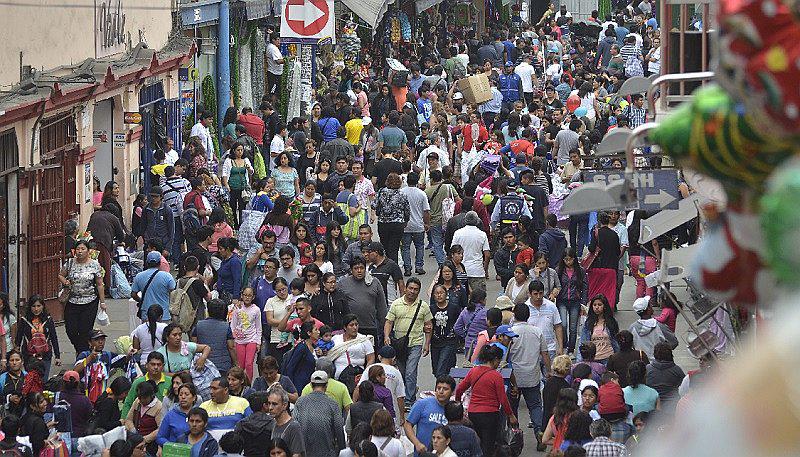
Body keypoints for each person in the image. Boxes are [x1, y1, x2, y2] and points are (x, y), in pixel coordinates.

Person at [454, 345, 518, 456]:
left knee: (476, 443)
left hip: (473, 413)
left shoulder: (473, 372)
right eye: (499, 361)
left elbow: (459, 389)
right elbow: (503, 399)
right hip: (490, 415)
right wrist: (511, 415)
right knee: (488, 446)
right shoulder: (496, 376)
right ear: (495, 360)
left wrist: (458, 403)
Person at [384, 277, 432, 405]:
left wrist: (427, 343)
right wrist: (386, 336)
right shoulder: (396, 304)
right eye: (410, 288)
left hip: (416, 343)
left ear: (419, 291)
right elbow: (389, 322)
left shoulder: (423, 306)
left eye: (416, 289)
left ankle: (409, 400)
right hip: (399, 344)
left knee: (410, 371)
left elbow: (428, 325)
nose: (412, 291)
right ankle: (409, 390)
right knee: (403, 372)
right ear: (405, 289)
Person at [509, 303, 551, 436]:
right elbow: (545, 353)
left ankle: (514, 433)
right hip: (532, 376)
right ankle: (539, 431)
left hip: (513, 377)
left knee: (512, 407)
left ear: (514, 315)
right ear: (528, 315)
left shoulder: (510, 332)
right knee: (535, 406)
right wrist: (549, 371)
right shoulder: (537, 331)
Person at [58, 240, 106, 354]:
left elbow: (100, 284)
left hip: (90, 301)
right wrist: (65, 281)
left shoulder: (94, 264)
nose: (80, 252)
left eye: (83, 249)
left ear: (88, 251)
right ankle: (81, 349)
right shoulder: (70, 263)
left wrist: (102, 302)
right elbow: (60, 274)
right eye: (78, 249)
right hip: (72, 301)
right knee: (71, 330)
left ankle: (82, 354)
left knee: (85, 330)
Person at [294, 370, 346, 457]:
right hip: (327, 453)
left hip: (305, 452)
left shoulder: (300, 402)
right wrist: (342, 450)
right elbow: (338, 428)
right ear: (326, 385)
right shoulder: (333, 404)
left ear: (311, 385)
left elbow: (295, 426)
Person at [75, 329, 133, 403]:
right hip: (84, 396)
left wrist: (130, 354)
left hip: (101, 397)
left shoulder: (108, 355)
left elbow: (124, 360)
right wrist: (89, 358)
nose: (100, 342)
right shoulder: (84, 355)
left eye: (102, 339)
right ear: (89, 342)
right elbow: (75, 370)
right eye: (97, 340)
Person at [338, 257, 388, 342]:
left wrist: (385, 329)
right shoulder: (343, 283)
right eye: (356, 268)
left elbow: (382, 307)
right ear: (351, 270)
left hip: (370, 327)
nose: (359, 271)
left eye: (361, 268)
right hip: (350, 329)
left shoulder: (374, 282)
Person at [356, 345, 406, 427]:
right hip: (389, 411)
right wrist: (402, 416)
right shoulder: (396, 372)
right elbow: (400, 397)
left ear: (379, 357)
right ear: (393, 359)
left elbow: (358, 388)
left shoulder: (371, 368)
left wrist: (355, 405)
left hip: (369, 409)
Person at [404, 375, 454, 454]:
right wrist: (417, 443)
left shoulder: (454, 409)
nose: (441, 391)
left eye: (445, 389)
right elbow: (408, 425)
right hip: (422, 453)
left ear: (452, 392)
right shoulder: (422, 404)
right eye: (438, 388)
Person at [16, 295, 60, 378]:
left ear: (43, 306)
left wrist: (57, 356)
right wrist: (17, 355)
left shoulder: (48, 320)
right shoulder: (24, 320)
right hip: (28, 356)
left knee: (43, 380)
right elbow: (18, 338)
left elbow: (54, 338)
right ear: (30, 307)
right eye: (33, 306)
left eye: (39, 306)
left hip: (45, 355)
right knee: (31, 380)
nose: (36, 309)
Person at [192, 299, 237, 375]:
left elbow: (194, 344)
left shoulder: (199, 325)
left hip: (204, 364)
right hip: (223, 366)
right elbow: (231, 347)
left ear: (208, 311)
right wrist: (236, 363)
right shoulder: (226, 326)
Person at [372, 173, 410, 263]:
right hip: (398, 224)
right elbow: (407, 210)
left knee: (385, 247)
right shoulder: (402, 194)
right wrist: (406, 220)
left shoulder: (381, 191)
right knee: (394, 247)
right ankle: (393, 268)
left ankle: (386, 266)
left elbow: (374, 205)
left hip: (383, 223)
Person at [556, 248, 587, 355]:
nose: (568, 262)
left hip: (575, 301)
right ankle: (564, 344)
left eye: (570, 259)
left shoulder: (581, 271)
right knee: (563, 324)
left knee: (573, 327)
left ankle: (571, 348)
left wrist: (583, 302)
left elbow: (585, 287)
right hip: (562, 301)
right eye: (565, 259)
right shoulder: (559, 271)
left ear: (574, 259)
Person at [122, 352, 171, 418]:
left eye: (159, 364)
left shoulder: (170, 382)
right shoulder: (138, 382)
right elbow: (128, 403)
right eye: (153, 364)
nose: (156, 367)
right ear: (146, 365)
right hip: (142, 421)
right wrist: (124, 420)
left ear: (163, 366)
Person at [131, 251, 176, 322]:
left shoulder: (139, 276)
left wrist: (141, 300)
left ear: (147, 262)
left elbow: (133, 294)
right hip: (164, 314)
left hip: (146, 314)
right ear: (160, 263)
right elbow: (173, 293)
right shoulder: (167, 276)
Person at [451, 211, 491, 293]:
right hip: (477, 271)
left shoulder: (458, 233)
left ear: (465, 220)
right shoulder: (482, 234)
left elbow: (453, 251)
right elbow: (487, 255)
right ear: (477, 221)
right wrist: (485, 269)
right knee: (478, 299)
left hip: (461, 272)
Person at [526, 280, 565, 358]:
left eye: (541, 293)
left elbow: (558, 326)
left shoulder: (551, 306)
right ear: (530, 294)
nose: (538, 297)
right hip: (531, 350)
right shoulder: (525, 308)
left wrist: (560, 347)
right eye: (535, 294)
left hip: (550, 349)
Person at [330, 314, 375, 381]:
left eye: (356, 325)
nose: (355, 327)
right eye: (351, 325)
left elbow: (371, 358)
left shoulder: (364, 340)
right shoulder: (335, 339)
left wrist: (364, 375)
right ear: (345, 327)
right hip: (338, 378)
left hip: (356, 377)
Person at [429, 284, 460, 378]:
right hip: (435, 343)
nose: (439, 295)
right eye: (436, 293)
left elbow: (458, 323)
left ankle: (439, 390)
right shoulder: (431, 309)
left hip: (449, 342)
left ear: (446, 294)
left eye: (441, 293)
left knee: (441, 369)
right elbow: (428, 326)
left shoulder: (454, 308)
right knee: (436, 369)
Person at [124, 380, 164, 453]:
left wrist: (144, 439)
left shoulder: (159, 407)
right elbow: (128, 419)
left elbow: (160, 430)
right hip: (134, 440)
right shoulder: (137, 401)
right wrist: (133, 430)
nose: (141, 400)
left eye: (145, 398)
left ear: (151, 395)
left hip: (149, 445)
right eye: (139, 397)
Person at [231, 287, 262, 380]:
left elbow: (258, 327)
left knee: (249, 363)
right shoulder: (237, 308)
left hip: (251, 339)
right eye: (245, 295)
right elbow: (233, 324)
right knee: (240, 365)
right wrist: (233, 338)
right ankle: (240, 383)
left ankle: (248, 383)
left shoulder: (256, 310)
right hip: (239, 341)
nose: (247, 298)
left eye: (249, 295)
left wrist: (258, 342)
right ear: (241, 295)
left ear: (253, 297)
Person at [645, 342, 686, 414]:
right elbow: (684, 387)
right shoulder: (677, 370)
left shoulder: (647, 369)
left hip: (652, 406)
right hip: (672, 407)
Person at [579, 294, 620, 364]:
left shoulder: (611, 322)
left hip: (608, 358)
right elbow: (583, 343)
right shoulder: (588, 323)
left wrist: (619, 358)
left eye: (599, 305)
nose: (597, 307)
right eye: (594, 305)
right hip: (593, 359)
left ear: (604, 306)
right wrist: (580, 362)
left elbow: (616, 342)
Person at [233, 392, 276, 457]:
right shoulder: (273, 423)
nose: (271, 406)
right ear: (264, 406)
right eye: (269, 403)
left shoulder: (241, 424)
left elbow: (236, 446)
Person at [266, 386, 305, 457]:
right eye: (269, 403)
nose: (270, 408)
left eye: (274, 404)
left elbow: (297, 454)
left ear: (284, 405)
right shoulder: (273, 424)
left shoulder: (294, 427)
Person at [283, 321, 320, 391]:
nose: (318, 332)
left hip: (311, 385)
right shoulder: (301, 348)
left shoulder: (315, 347)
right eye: (316, 330)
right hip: (300, 386)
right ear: (309, 333)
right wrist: (291, 388)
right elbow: (290, 367)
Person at [21, 392, 51, 457]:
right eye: (41, 402)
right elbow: (38, 443)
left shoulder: (25, 416)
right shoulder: (38, 421)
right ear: (32, 406)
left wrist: (47, 426)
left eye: (44, 400)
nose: (45, 403)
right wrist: (48, 441)